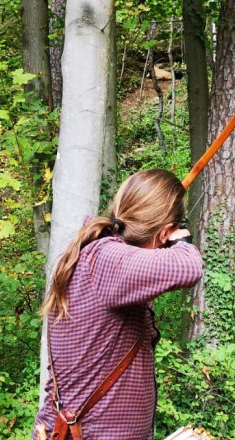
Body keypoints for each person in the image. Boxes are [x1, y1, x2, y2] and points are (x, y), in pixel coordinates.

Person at [33, 169, 204, 439]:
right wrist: (182, 242)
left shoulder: (98, 257)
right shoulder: (106, 259)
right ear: (164, 234)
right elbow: (187, 267)